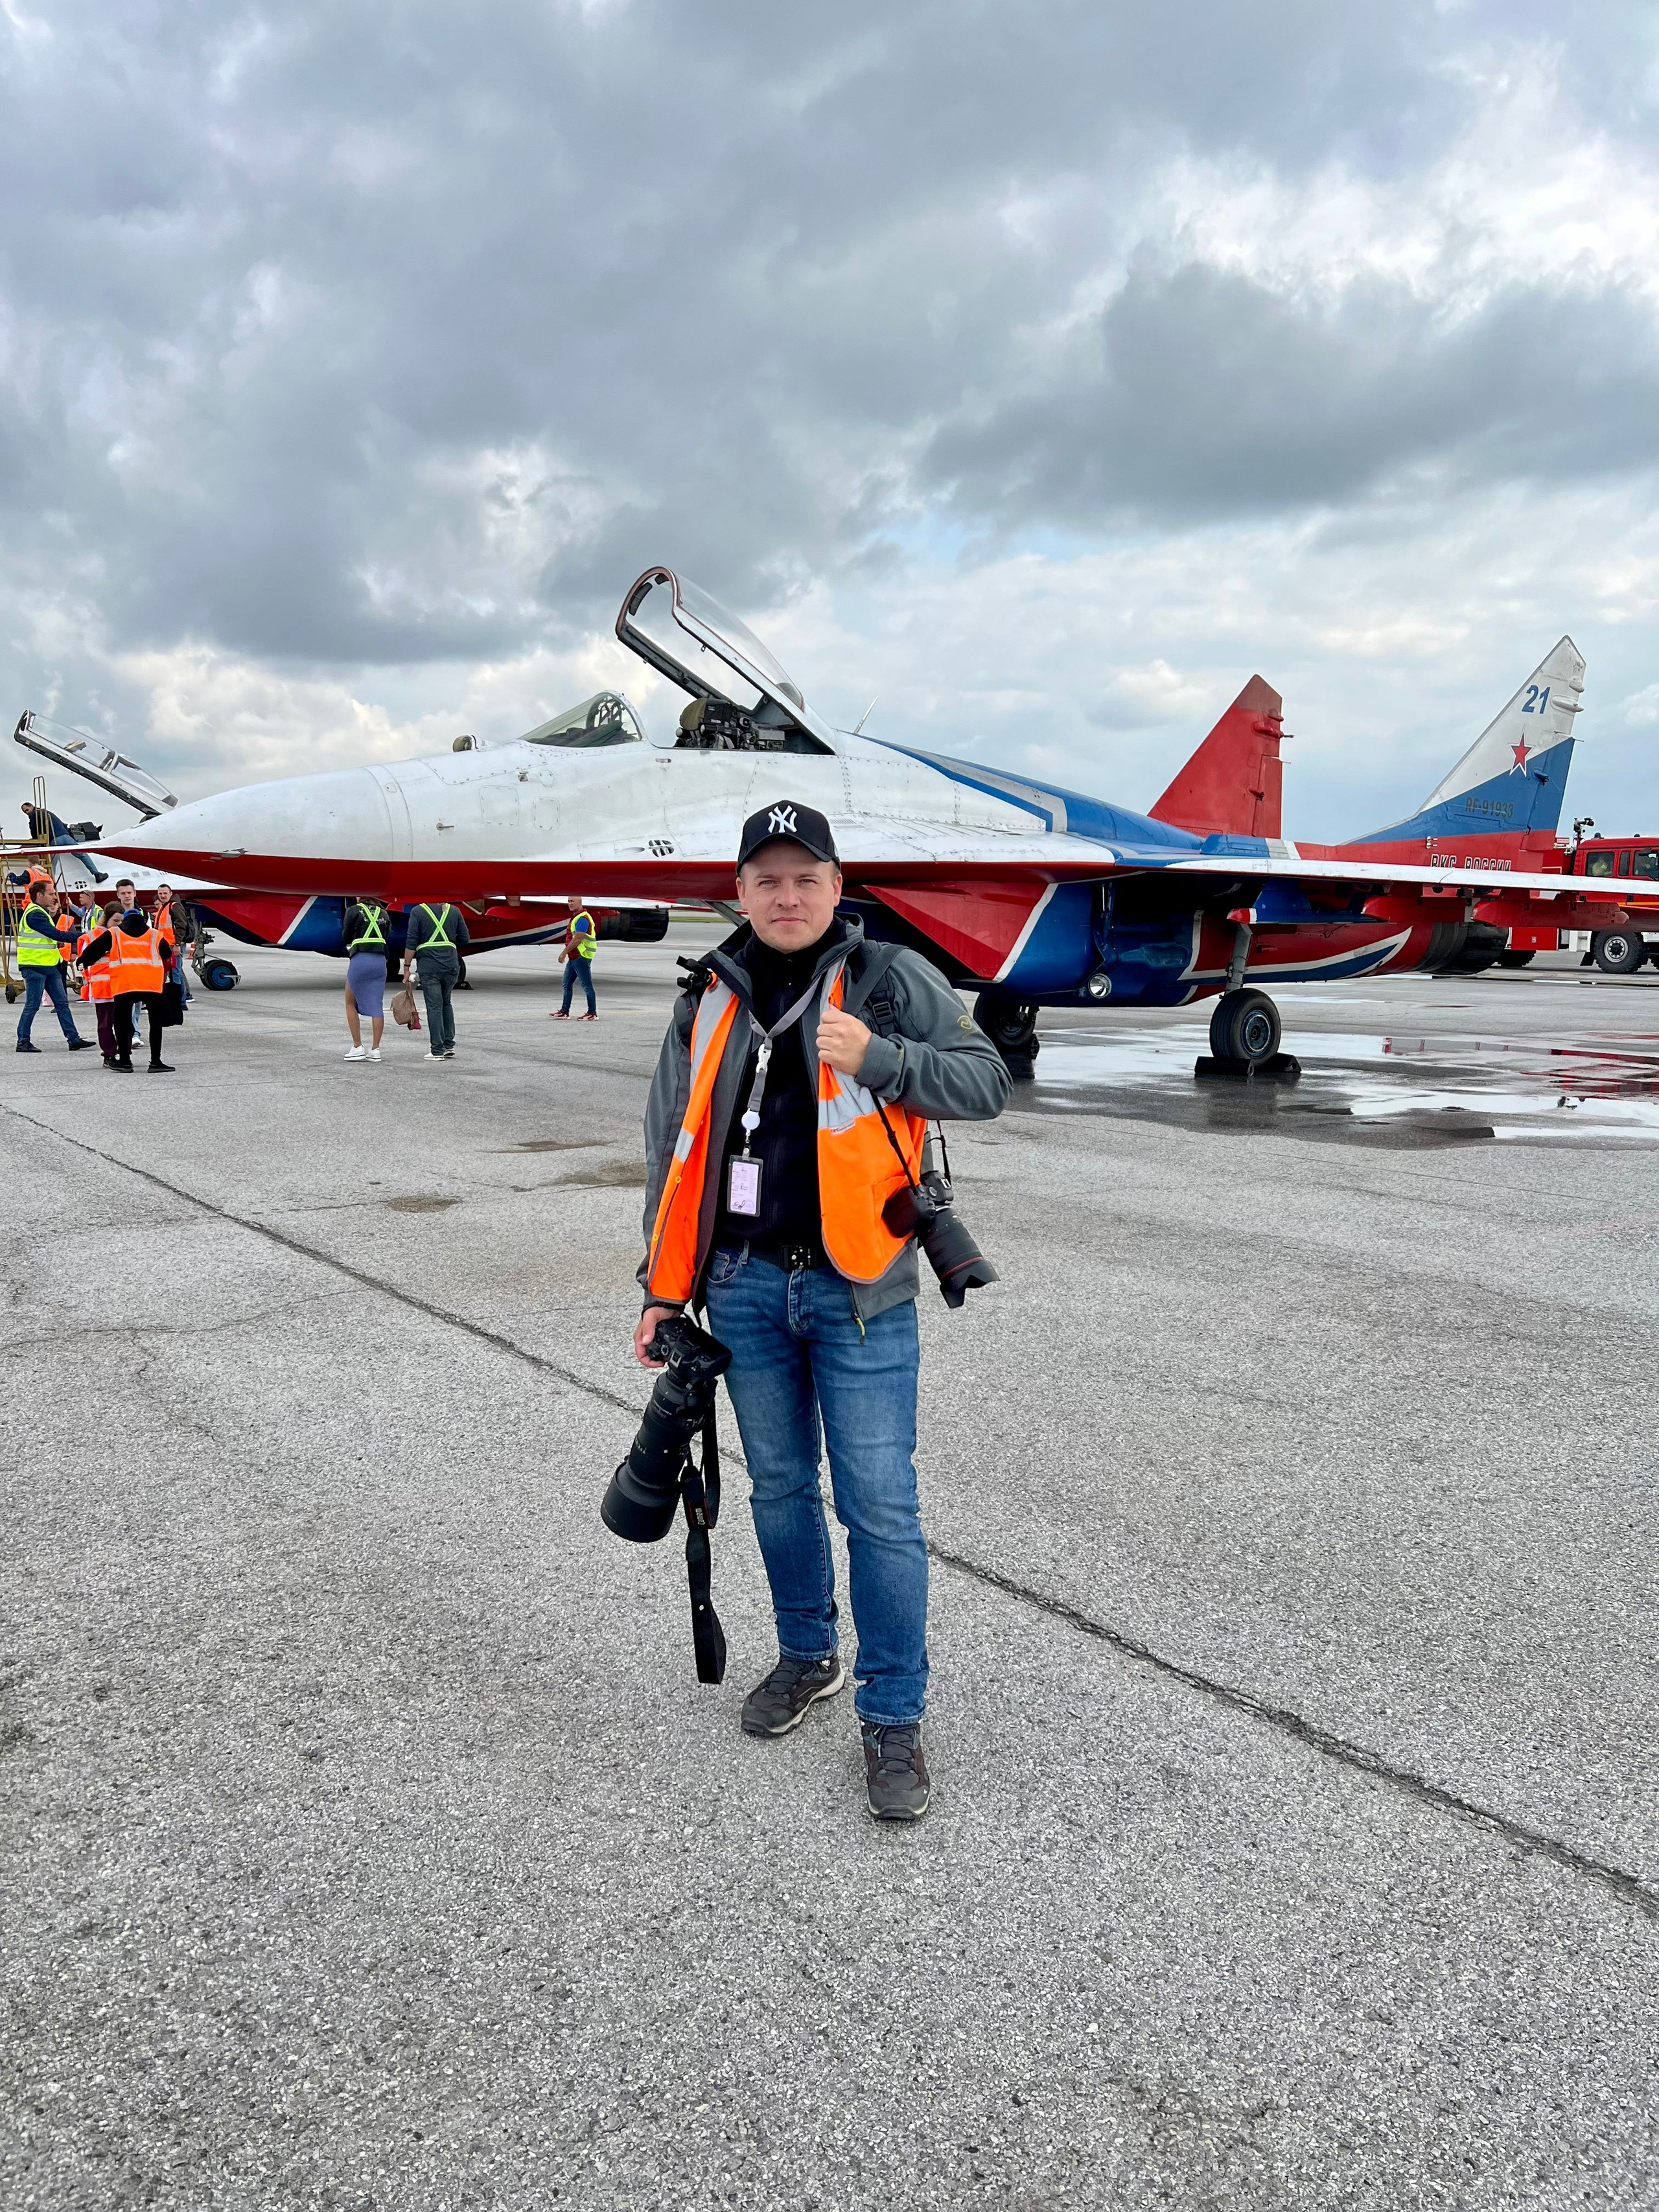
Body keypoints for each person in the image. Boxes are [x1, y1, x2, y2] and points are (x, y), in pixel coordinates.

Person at [634, 802, 1010, 1822]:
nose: (787, 896)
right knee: (780, 1493)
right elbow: (674, 1143)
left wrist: (882, 1059)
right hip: (746, 1285)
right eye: (767, 879)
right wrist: (662, 1285)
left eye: (807, 878)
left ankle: (895, 1715)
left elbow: (988, 1082)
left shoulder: (892, 980)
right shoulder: (709, 991)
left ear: (839, 889)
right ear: (742, 891)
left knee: (880, 1508)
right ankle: (809, 1654)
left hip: (860, 1291)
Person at [81, 909, 175, 1073]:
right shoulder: (155, 934)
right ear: (142, 919)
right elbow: (167, 954)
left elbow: (95, 949)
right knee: (155, 1024)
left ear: (125, 920)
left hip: (125, 985)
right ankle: (155, 1062)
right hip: (151, 985)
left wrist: (83, 961)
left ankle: (125, 1061)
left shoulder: (115, 933)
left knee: (122, 1023)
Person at [14, 879, 97, 1055]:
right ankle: (23, 1041)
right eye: (51, 893)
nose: (54, 897)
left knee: (62, 1003)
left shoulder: (41, 912)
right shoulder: (35, 914)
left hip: (49, 965)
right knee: (33, 1005)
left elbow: (51, 938)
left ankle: (73, 1039)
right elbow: (55, 934)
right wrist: (85, 936)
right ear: (39, 895)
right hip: (34, 965)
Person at [400, 898, 469, 1062]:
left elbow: (411, 942)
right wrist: (447, 944)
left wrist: (407, 966)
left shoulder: (418, 911)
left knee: (434, 1006)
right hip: (452, 965)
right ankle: (448, 1044)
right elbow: (465, 938)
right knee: (446, 1002)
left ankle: (437, 1050)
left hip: (430, 966)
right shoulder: (454, 910)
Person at [342, 892, 389, 1062]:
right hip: (380, 961)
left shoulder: (353, 911)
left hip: (361, 959)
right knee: (377, 1006)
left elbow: (346, 936)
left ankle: (357, 1046)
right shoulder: (384, 913)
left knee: (350, 1003)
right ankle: (376, 1049)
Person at [74, 898, 119, 1064]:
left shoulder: (121, 934)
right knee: (105, 1023)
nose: (119, 924)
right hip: (103, 987)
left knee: (122, 1023)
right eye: (116, 921)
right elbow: (84, 961)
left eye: (122, 921)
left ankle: (121, 1051)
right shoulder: (94, 936)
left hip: (121, 986)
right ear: (107, 919)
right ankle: (109, 1054)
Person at [551, 898, 598, 1020]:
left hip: (582, 956)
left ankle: (592, 1013)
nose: (570, 904)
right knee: (566, 984)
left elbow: (578, 939)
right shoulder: (576, 917)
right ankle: (565, 1011)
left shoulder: (583, 918)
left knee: (587, 986)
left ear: (580, 902)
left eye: (573, 901)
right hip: (574, 957)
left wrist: (564, 952)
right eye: (569, 901)